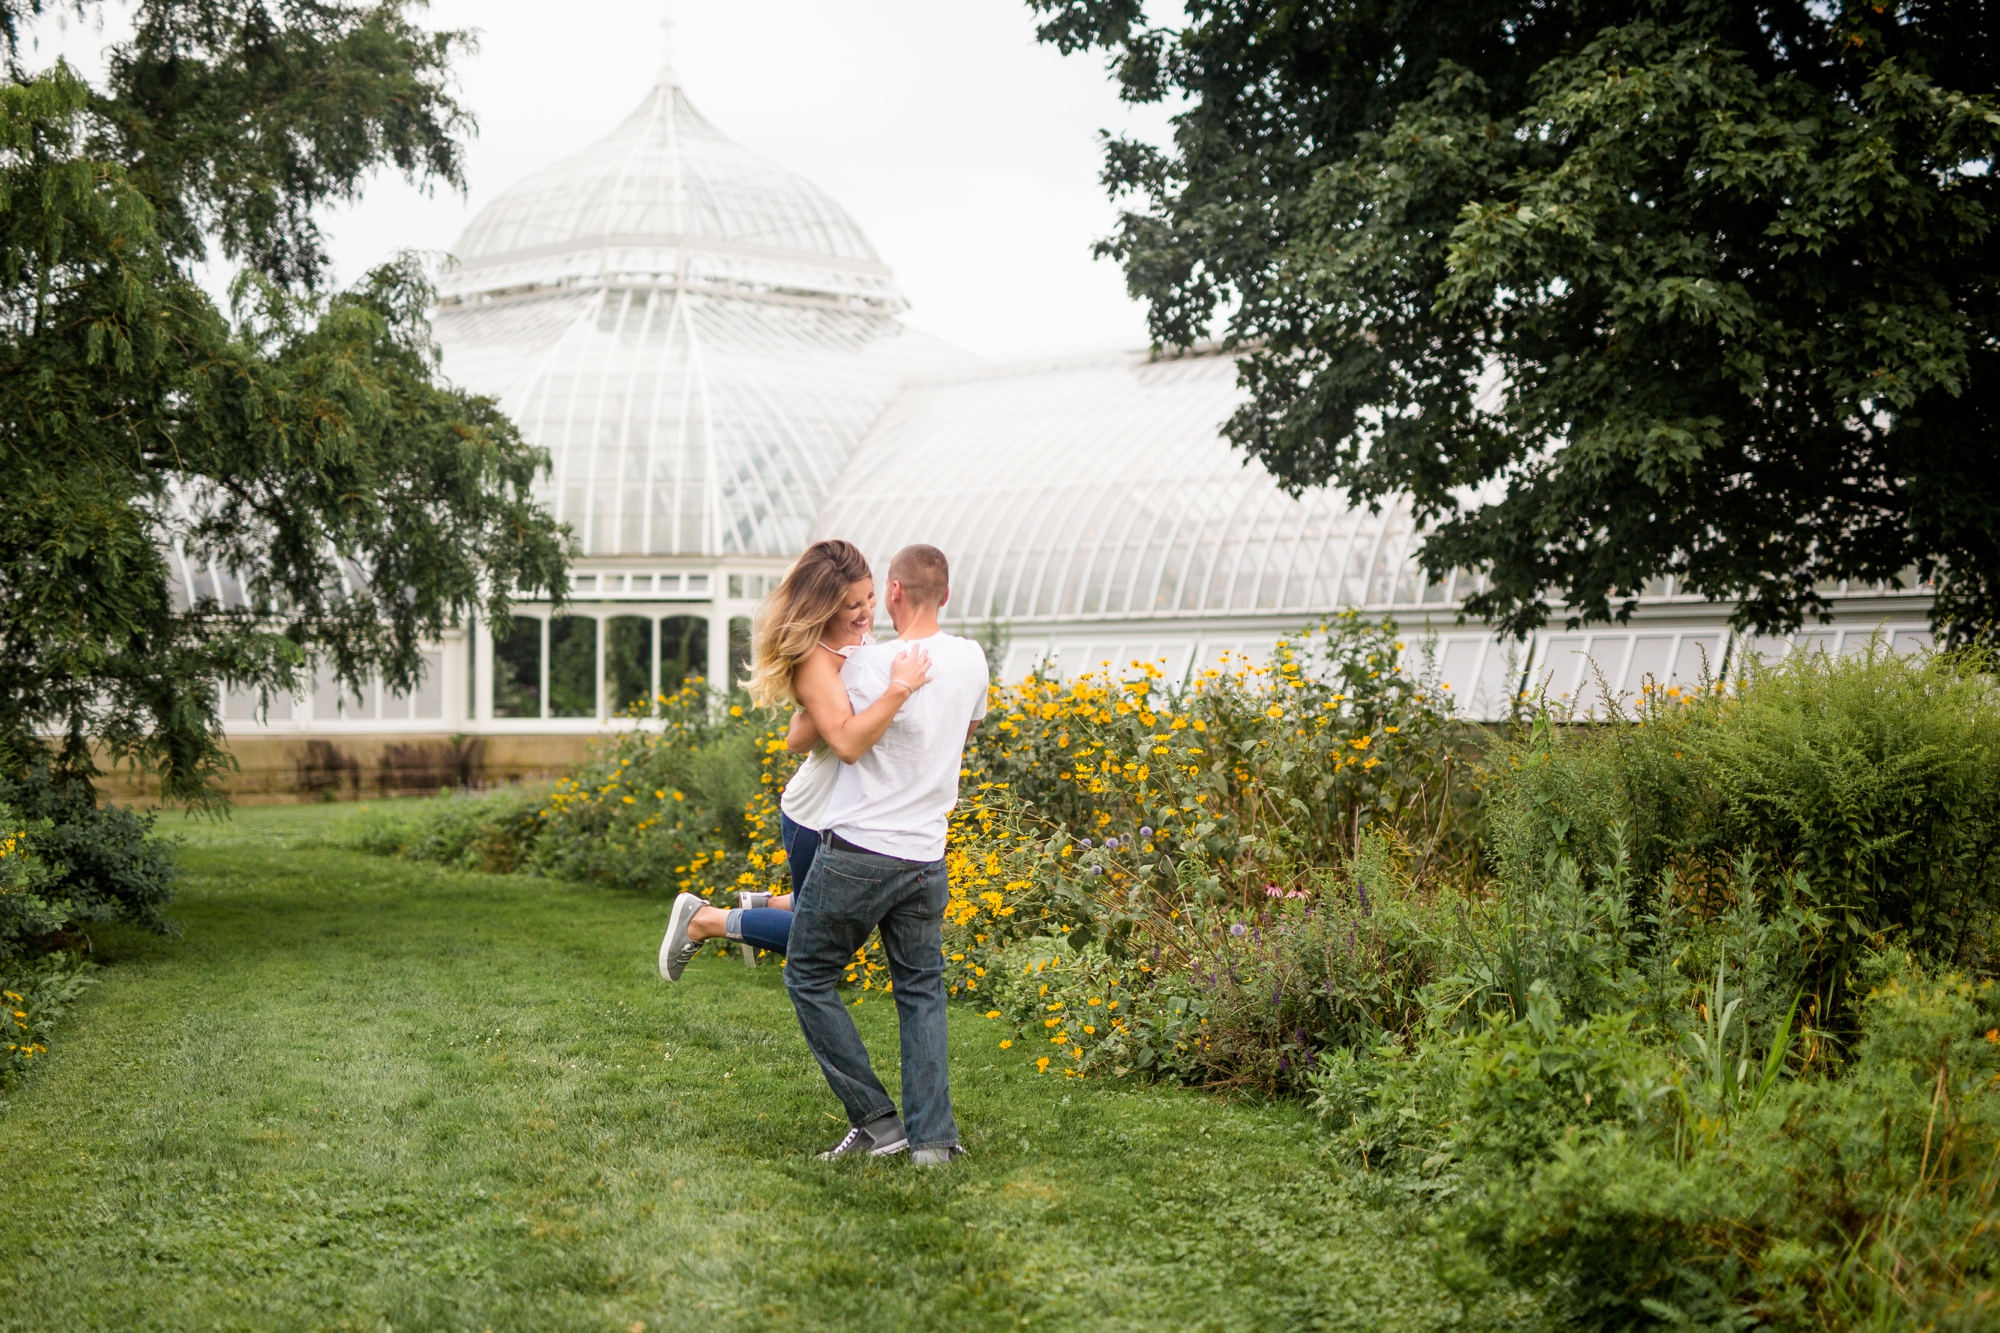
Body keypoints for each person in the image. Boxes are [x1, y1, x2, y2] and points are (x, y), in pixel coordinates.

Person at [784, 543, 988, 1166]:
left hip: (860, 851)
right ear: (945, 595)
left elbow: (804, 736)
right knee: (921, 991)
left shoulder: (863, 665)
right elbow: (965, 732)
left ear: (893, 593)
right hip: (928, 855)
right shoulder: (973, 659)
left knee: (809, 974)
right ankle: (933, 1143)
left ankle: (877, 1120)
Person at [656, 539, 930, 980]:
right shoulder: (820, 658)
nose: (864, 612)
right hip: (815, 816)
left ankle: (759, 906)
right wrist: (893, 688)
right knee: (821, 942)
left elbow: (800, 733)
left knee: (819, 924)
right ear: (825, 606)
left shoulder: (858, 642)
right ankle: (705, 920)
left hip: (839, 809)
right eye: (850, 605)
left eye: (869, 598)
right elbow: (816, 739)